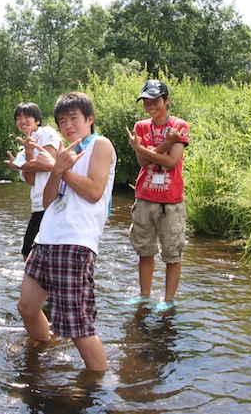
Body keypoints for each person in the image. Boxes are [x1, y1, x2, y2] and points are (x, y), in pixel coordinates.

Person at [17, 91, 116, 374]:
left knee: (78, 326)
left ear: (89, 119)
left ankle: (102, 382)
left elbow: (94, 191)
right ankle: (44, 349)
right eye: (62, 121)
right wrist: (57, 169)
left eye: (74, 118)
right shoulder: (65, 153)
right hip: (46, 238)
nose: (68, 125)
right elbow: (48, 201)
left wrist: (62, 169)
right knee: (27, 307)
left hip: (76, 242)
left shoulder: (100, 145)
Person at [126, 79, 190, 311]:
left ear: (167, 100)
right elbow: (143, 162)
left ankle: (168, 300)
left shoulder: (179, 126)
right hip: (144, 198)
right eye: (146, 102)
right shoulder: (141, 127)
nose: (150, 106)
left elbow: (171, 162)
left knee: (172, 254)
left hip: (170, 201)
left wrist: (144, 148)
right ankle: (144, 296)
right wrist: (166, 143)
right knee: (145, 251)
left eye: (155, 101)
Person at [5, 102, 61, 260]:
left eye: (27, 116)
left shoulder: (47, 133)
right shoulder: (23, 151)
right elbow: (32, 180)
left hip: (55, 202)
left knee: (46, 252)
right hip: (38, 205)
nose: (22, 121)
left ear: (37, 120)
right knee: (27, 251)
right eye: (18, 118)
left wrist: (20, 165)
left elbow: (50, 164)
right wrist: (28, 152)